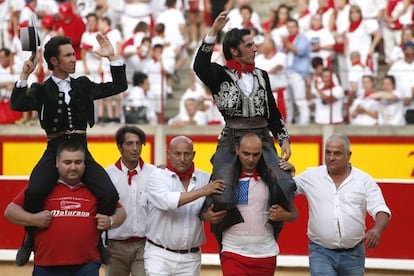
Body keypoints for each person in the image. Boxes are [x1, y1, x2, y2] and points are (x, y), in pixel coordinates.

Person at [10, 34, 128, 266]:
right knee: (34, 192)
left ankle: (100, 241)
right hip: (55, 149)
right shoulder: (41, 89)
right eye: (68, 55)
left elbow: (119, 85)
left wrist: (112, 57)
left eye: (73, 54)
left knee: (109, 195)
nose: (74, 59)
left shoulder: (82, 84)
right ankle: (29, 238)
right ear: (54, 61)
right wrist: (24, 75)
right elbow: (17, 105)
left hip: (81, 149)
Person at [193, 11, 296, 220]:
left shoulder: (262, 75)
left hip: (262, 137)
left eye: (254, 44)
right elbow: (199, 66)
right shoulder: (218, 74)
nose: (255, 48)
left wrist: (283, 138)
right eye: (249, 45)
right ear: (234, 50)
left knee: (285, 186)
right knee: (221, 195)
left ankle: (268, 222)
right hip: (232, 137)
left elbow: (272, 111)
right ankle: (233, 229)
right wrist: (213, 31)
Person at [4, 141, 126, 275]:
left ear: (85, 163)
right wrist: (33, 219)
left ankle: (100, 245)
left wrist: (110, 221)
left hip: (87, 265)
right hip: (47, 265)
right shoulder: (43, 187)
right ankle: (28, 241)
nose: (73, 167)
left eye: (78, 162)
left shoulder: (94, 188)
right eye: (67, 162)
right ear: (57, 162)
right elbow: (10, 211)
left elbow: (121, 212)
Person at [280, 134, 391, 276]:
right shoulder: (312, 175)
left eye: (337, 153)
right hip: (321, 252)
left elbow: (381, 209)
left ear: (348, 155)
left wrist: (377, 229)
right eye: (328, 152)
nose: (331, 158)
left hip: (354, 254)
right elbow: (287, 189)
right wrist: (285, 175)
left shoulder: (363, 180)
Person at [213, 132, 298, 275]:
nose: (251, 159)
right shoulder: (224, 179)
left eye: (256, 154)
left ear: (262, 154)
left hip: (265, 254)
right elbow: (205, 210)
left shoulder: (274, 180)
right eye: (246, 154)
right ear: (237, 150)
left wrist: (286, 215)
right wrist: (208, 216)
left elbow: (294, 214)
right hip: (233, 252)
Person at [144, 136, 226, 275]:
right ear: (168, 154)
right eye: (177, 154)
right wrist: (202, 191)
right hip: (159, 255)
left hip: (191, 257)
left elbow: (206, 209)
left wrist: (206, 215)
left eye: (187, 154)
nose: (182, 159)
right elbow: (167, 202)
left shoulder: (205, 178)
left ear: (193, 155)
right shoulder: (157, 176)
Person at [105, 126, 157, 276]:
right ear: (119, 147)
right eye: (129, 144)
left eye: (138, 143)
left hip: (145, 245)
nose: (135, 148)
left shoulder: (154, 173)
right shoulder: (107, 175)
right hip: (115, 246)